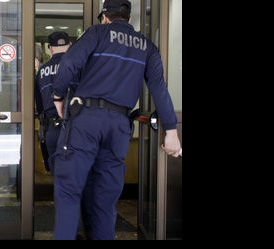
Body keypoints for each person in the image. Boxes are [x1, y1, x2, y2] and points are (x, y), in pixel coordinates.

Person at [51, 0, 182, 240]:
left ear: (105, 16)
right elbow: (159, 89)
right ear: (128, 17)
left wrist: (58, 95)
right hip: (120, 126)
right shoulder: (147, 46)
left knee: (69, 190)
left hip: (86, 120)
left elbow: (69, 63)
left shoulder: (97, 33)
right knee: (105, 198)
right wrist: (172, 131)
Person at [35, 31, 78, 175]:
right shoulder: (77, 67)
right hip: (74, 127)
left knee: (58, 176)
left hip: (51, 128)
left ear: (50, 48)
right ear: (70, 45)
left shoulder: (41, 72)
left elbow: (39, 104)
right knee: (76, 173)